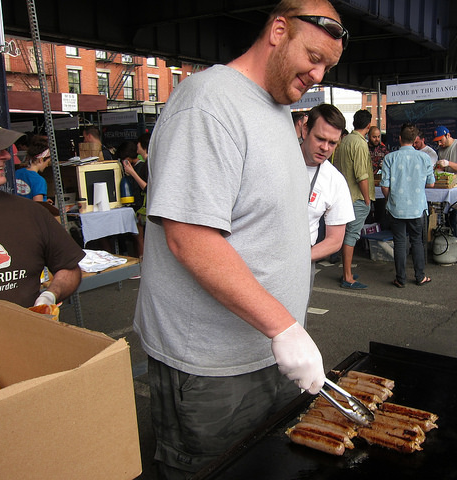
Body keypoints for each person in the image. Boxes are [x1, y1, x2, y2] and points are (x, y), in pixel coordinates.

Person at [132, 0, 347, 477]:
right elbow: (190, 237)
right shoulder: (207, 104)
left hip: (268, 354)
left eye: (327, 66)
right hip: (211, 367)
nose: (317, 74)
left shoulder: (277, 110)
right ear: (277, 30)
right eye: (313, 57)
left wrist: (283, 332)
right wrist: (284, 327)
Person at [0, 115, 84, 308]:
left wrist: (50, 295)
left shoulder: (31, 213)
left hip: (25, 335)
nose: (6, 156)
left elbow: (69, 268)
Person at [381, 125, 434, 287]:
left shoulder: (390, 158)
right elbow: (431, 184)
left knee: (400, 242)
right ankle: (420, 276)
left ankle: (401, 279)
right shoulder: (424, 158)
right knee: (417, 241)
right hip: (417, 208)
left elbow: (384, 186)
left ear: (400, 138)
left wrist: (392, 199)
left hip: (396, 208)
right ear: (415, 140)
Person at [302, 104, 354, 264]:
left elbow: (335, 240)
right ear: (305, 130)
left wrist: (299, 260)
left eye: (332, 143)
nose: (325, 148)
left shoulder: (335, 181)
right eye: (320, 139)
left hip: (301, 261)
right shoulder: (276, 161)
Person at [334, 109, 374, 289]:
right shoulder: (359, 144)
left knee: (346, 235)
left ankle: (346, 272)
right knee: (351, 235)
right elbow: (361, 175)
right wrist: (367, 199)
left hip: (343, 196)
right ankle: (348, 277)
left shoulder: (344, 141)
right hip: (356, 197)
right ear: (368, 125)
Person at [433, 126, 457, 245]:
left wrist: (448, 163)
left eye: (441, 140)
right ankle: (453, 244)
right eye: (438, 141)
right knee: (450, 218)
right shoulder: (441, 150)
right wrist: (439, 169)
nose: (440, 143)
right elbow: (442, 169)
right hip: (450, 188)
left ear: (448, 135)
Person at [117, 140, 147, 259]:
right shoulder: (139, 166)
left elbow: (145, 188)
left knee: (139, 238)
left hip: (140, 208)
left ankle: (141, 262)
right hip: (137, 208)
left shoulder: (141, 168)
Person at [14, 135, 52, 202]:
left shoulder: (17, 173)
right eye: (47, 162)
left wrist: (45, 202)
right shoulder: (39, 180)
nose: (47, 165)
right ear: (41, 160)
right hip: (30, 211)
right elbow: (38, 205)